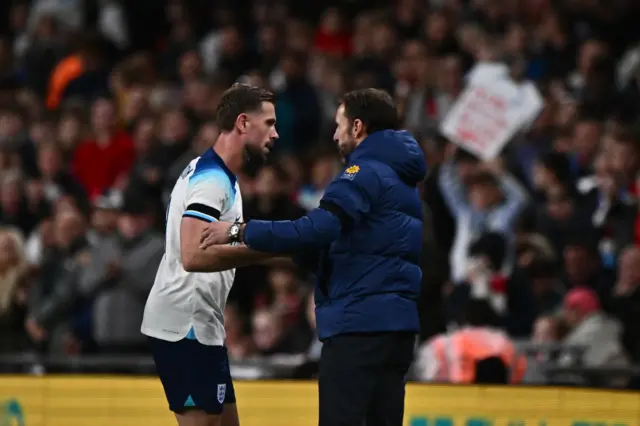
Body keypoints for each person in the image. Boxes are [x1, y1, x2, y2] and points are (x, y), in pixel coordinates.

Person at [199, 88, 427, 426]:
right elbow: (355, 248)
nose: (335, 134)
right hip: (395, 330)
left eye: (339, 125)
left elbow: (316, 230)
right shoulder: (402, 182)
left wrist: (238, 231)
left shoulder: (360, 174)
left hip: (357, 325)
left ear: (358, 127)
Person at [140, 83, 279, 426]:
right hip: (184, 324)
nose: (275, 133)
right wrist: (263, 249)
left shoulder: (217, 174)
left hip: (203, 324)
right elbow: (192, 255)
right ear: (243, 123)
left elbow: (214, 240)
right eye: (270, 123)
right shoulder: (212, 180)